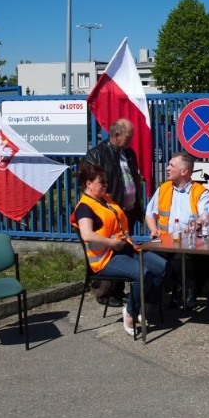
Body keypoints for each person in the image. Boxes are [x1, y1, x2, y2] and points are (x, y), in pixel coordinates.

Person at [70, 162, 167, 336]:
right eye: (102, 183)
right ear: (88, 184)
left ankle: (144, 309)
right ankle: (130, 311)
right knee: (142, 274)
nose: (106, 186)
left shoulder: (105, 199)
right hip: (106, 258)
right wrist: (111, 243)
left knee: (161, 268)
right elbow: (87, 235)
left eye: (106, 182)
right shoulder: (84, 207)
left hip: (126, 248)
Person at [83, 118, 143, 308]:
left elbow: (133, 179)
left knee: (124, 250)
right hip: (110, 212)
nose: (131, 140)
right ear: (116, 135)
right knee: (112, 252)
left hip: (128, 211)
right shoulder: (97, 154)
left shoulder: (129, 153)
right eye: (128, 136)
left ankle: (118, 291)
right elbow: (90, 183)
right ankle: (105, 294)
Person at [144, 151, 209, 308]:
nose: (167, 168)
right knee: (154, 256)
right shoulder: (163, 189)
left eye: (171, 165)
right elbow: (149, 214)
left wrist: (197, 222)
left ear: (184, 172)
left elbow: (206, 214)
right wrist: (153, 229)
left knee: (194, 258)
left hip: (190, 241)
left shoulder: (200, 192)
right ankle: (170, 291)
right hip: (166, 240)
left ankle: (189, 290)